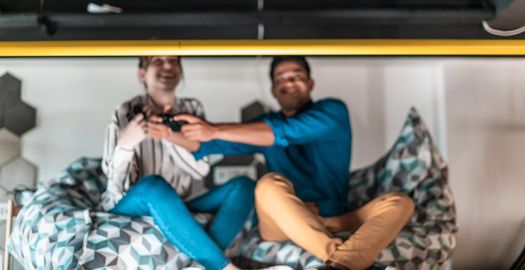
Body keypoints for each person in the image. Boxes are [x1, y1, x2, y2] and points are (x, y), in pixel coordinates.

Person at [175, 56, 415, 270]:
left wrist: (214, 130)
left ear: (311, 83)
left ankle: (341, 263)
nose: (289, 83)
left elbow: (286, 132)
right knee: (267, 186)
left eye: (297, 76)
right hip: (282, 225)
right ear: (274, 89)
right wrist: (165, 131)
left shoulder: (332, 111)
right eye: (281, 79)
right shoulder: (263, 124)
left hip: (335, 215)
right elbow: (207, 145)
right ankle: (343, 260)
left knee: (400, 203)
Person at [101, 55, 290, 270]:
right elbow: (116, 182)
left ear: (181, 71)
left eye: (173, 61)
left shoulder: (191, 108)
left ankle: (199, 264)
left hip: (177, 204)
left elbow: (200, 169)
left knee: (245, 186)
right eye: (158, 61)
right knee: (153, 185)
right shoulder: (125, 110)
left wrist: (168, 134)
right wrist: (127, 143)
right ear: (142, 73)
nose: (168, 67)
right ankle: (223, 266)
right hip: (131, 203)